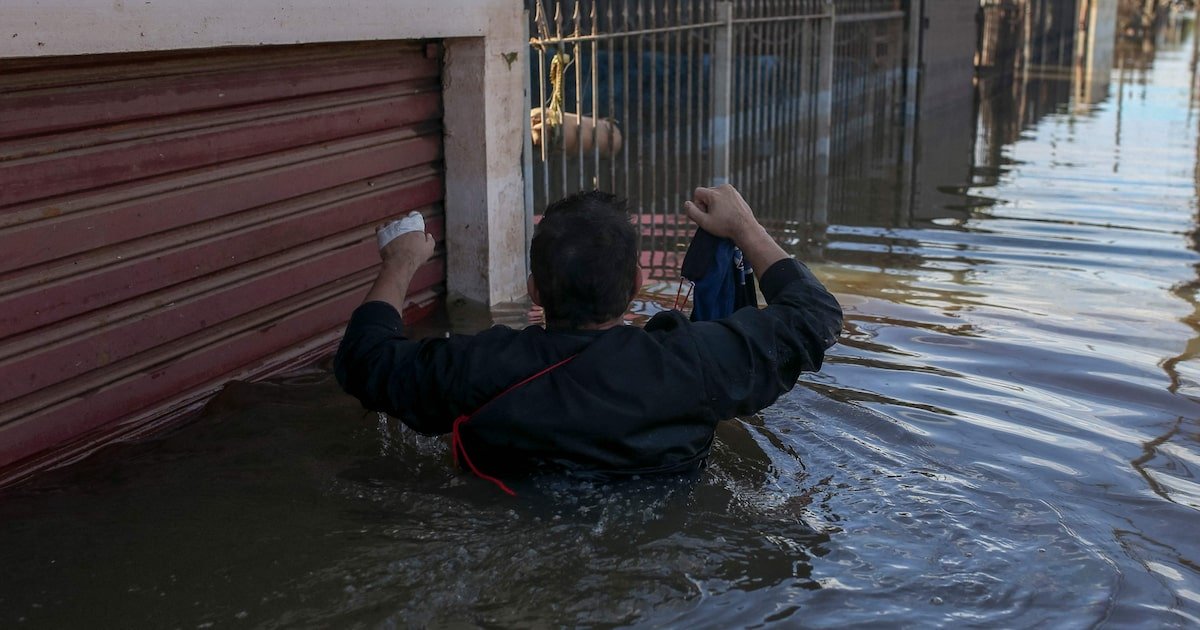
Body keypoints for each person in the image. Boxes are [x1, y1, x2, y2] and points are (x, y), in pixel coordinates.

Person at [334, 185, 843, 492]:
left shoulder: (476, 366)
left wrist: (400, 264)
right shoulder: (694, 365)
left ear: (534, 290)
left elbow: (363, 359)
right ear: (636, 288)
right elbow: (814, 314)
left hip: (512, 533)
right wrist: (746, 228)